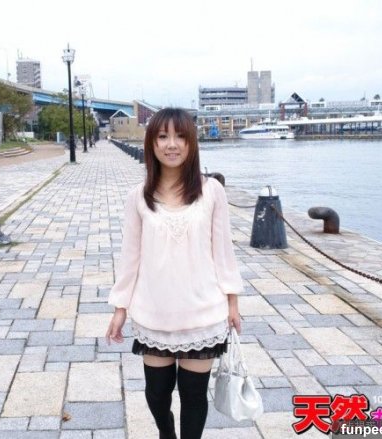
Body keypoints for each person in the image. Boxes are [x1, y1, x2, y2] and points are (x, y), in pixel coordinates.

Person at [106, 108, 244, 439]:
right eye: (163, 136)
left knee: (194, 396)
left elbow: (223, 251)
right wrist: (120, 307)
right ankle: (166, 433)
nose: (172, 144)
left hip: (202, 312)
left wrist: (232, 302)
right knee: (157, 394)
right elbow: (130, 257)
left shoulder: (212, 191)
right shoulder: (138, 197)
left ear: (191, 143)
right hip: (154, 313)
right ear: (152, 144)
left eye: (180, 137)